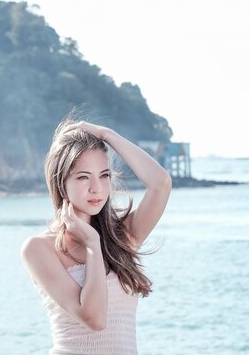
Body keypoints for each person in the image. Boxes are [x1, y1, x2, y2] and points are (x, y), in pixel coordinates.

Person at [20, 119, 172, 354]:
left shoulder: (123, 236)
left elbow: (161, 183)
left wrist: (107, 134)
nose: (97, 188)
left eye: (104, 175)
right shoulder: (39, 249)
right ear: (61, 182)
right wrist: (92, 244)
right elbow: (95, 318)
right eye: (83, 177)